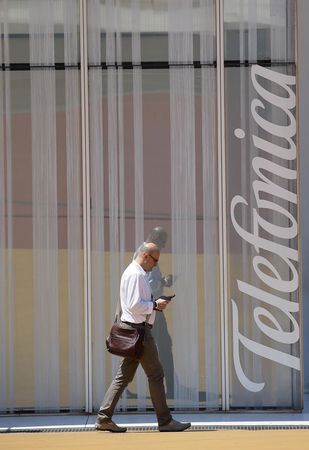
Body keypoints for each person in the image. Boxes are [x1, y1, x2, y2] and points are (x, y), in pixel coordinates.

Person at [95, 242, 191, 433]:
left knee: (123, 377)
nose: (155, 265)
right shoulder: (136, 274)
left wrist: (154, 304)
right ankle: (165, 421)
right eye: (155, 260)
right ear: (146, 256)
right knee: (155, 375)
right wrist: (155, 305)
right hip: (139, 333)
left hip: (134, 332)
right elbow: (133, 305)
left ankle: (104, 417)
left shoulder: (134, 272)